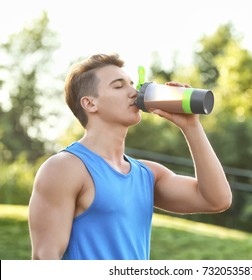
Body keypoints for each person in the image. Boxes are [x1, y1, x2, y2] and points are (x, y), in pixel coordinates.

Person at [28, 53, 232, 260]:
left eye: (132, 84)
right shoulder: (64, 168)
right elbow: (45, 259)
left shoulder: (148, 174)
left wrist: (191, 127)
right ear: (89, 104)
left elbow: (217, 200)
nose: (134, 93)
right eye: (118, 86)